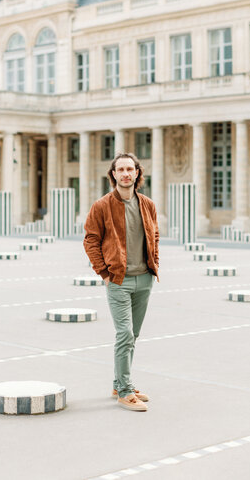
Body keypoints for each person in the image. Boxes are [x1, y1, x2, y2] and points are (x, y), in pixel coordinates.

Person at [83, 153, 159, 412]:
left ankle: (119, 382)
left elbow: (154, 235)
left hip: (144, 279)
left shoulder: (147, 204)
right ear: (113, 174)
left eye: (130, 169)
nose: (126, 173)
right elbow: (90, 240)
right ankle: (125, 392)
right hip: (118, 280)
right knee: (124, 334)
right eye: (121, 169)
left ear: (137, 173)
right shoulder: (102, 206)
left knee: (133, 335)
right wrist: (104, 273)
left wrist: (153, 264)